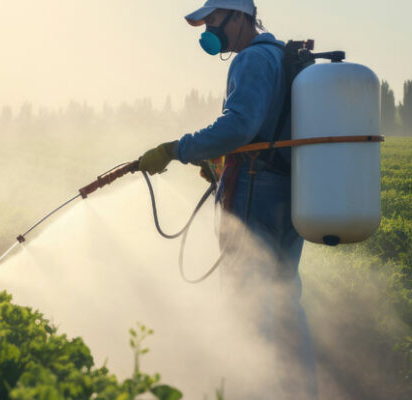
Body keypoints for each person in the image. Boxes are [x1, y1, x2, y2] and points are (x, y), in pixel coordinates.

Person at [135, 0, 317, 398]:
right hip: (289, 193)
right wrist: (218, 163)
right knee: (286, 301)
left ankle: (249, 391)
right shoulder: (282, 57)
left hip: (255, 192)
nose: (209, 30)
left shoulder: (252, 60)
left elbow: (239, 125)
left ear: (240, 17)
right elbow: (268, 132)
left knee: (247, 303)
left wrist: (176, 149)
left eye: (214, 19)